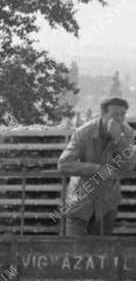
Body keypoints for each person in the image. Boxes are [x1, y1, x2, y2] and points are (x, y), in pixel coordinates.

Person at [58, 97, 136, 236]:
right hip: (80, 202)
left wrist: (120, 139)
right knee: (75, 251)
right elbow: (63, 164)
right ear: (103, 114)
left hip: (107, 204)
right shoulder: (83, 133)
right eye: (114, 114)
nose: (119, 119)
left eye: (122, 115)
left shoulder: (127, 133)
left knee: (102, 253)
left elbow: (129, 166)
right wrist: (98, 169)